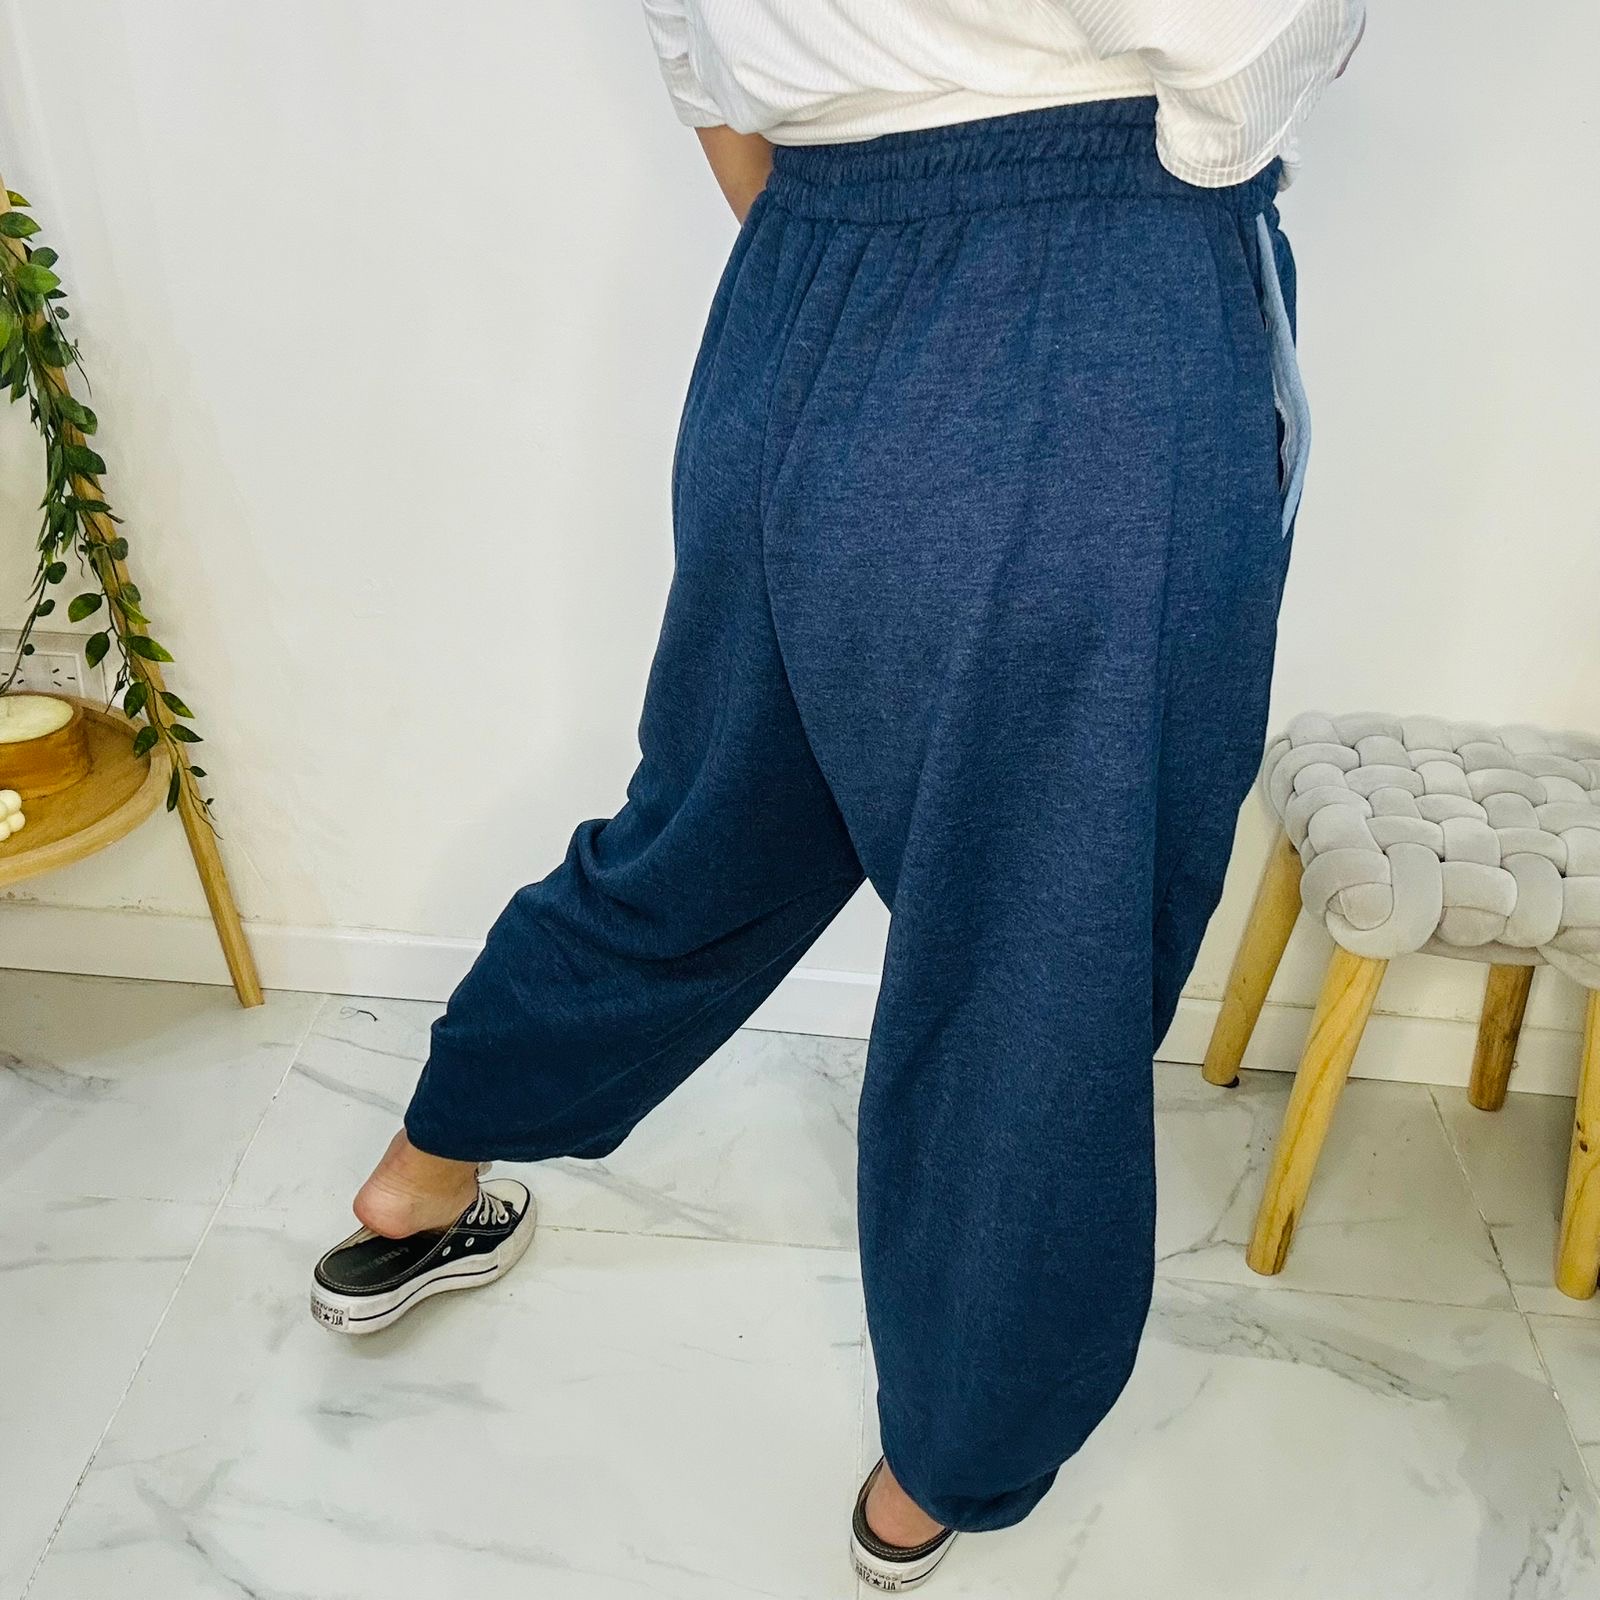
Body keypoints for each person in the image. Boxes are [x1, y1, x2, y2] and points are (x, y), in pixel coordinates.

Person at [310, 1, 1363, 1589]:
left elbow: (703, 69)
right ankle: (945, 1463)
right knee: (1039, 935)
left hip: (796, 293)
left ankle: (424, 1173)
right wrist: (1156, 210)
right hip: (1090, 294)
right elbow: (1252, 36)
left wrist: (873, 246)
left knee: (713, 828)